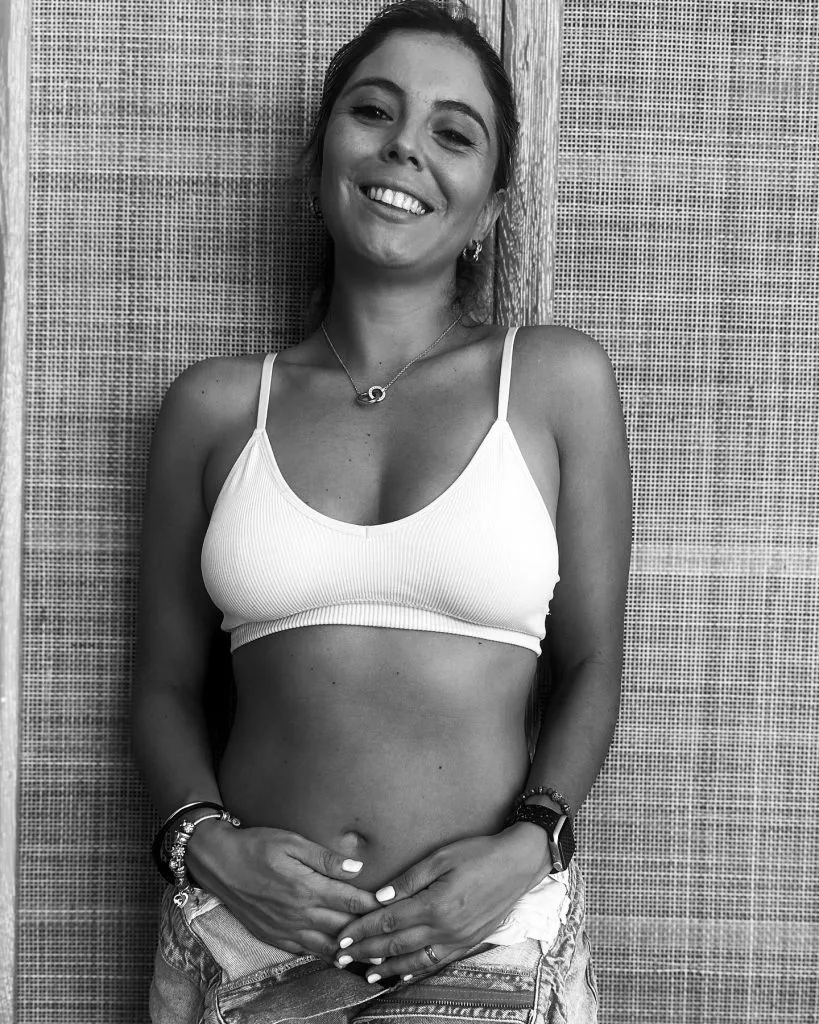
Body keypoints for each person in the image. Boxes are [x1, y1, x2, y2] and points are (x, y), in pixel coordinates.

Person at [132, 2, 631, 1021]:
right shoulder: (215, 406)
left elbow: (592, 663)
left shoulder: (553, 383)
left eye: (454, 132)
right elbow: (163, 689)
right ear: (320, 160)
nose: (406, 145)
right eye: (373, 111)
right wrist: (206, 845)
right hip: (247, 944)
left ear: (490, 210)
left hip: (489, 946)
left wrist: (530, 844)